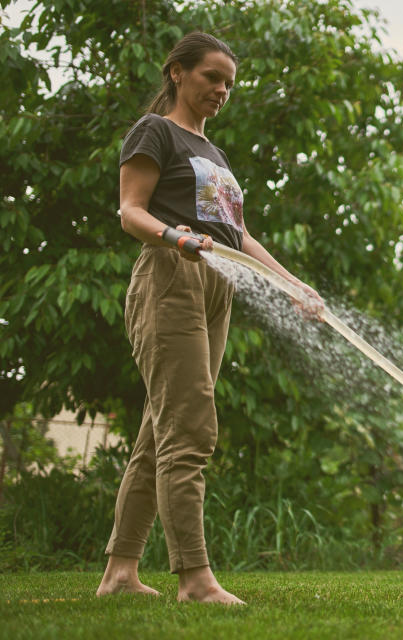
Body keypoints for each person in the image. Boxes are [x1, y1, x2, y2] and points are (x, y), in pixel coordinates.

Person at [95, 32, 323, 605]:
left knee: (161, 432)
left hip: (216, 284)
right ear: (177, 72)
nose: (221, 90)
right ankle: (194, 580)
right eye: (210, 77)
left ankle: (120, 574)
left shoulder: (214, 154)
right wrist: (177, 238)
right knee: (190, 429)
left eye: (228, 83)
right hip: (171, 275)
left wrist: (292, 285)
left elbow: (237, 235)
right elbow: (130, 210)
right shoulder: (156, 131)